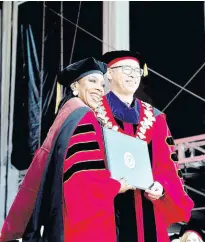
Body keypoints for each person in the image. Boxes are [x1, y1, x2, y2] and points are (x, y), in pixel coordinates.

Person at [0, 57, 133, 242]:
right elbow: (86, 182)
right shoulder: (84, 117)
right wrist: (119, 185)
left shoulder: (66, 115)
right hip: (85, 227)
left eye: (102, 85)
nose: (99, 89)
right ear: (74, 87)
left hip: (65, 222)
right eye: (92, 81)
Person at [98, 50, 194, 242]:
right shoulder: (94, 113)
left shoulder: (156, 118)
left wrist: (162, 186)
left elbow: (169, 167)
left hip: (148, 212)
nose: (133, 74)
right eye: (126, 69)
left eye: (137, 70)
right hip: (107, 211)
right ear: (109, 73)